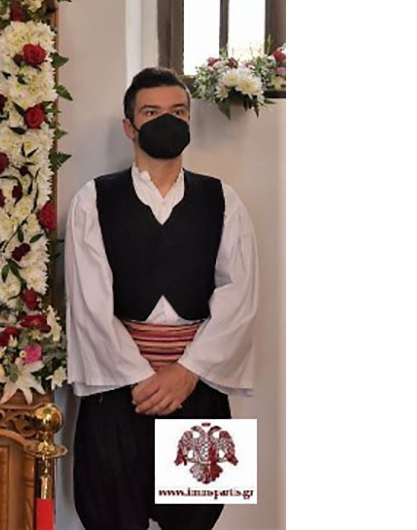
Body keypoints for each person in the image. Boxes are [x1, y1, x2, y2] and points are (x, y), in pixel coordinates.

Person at [65, 67, 258, 530]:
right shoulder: (93, 199)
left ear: (189, 122)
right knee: (110, 516)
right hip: (117, 391)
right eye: (151, 112)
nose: (166, 121)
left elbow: (240, 295)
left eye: (178, 112)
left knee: (196, 519)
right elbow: (89, 302)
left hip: (198, 387)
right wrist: (141, 378)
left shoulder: (224, 199)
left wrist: (187, 372)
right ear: (129, 126)